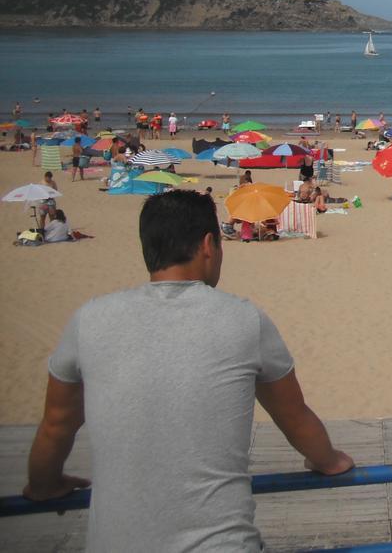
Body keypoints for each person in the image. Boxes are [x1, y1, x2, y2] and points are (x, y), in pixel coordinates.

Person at [22, 190, 353, 548]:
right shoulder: (243, 319)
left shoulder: (90, 319)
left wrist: (44, 485)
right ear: (209, 245)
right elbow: (295, 417)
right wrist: (331, 461)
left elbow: (56, 426)